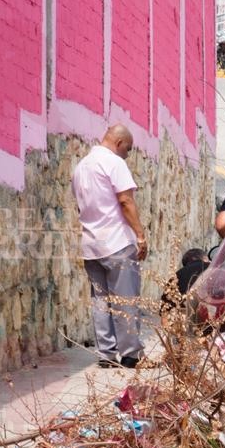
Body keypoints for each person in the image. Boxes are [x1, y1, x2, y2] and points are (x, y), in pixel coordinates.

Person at [72, 125, 147, 369]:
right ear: (119, 142)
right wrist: (140, 235)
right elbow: (125, 200)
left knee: (101, 301)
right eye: (128, 148)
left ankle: (106, 353)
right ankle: (130, 354)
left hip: (91, 245)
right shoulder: (114, 163)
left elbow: (80, 206)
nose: (128, 154)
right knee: (125, 298)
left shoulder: (81, 167)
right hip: (116, 242)